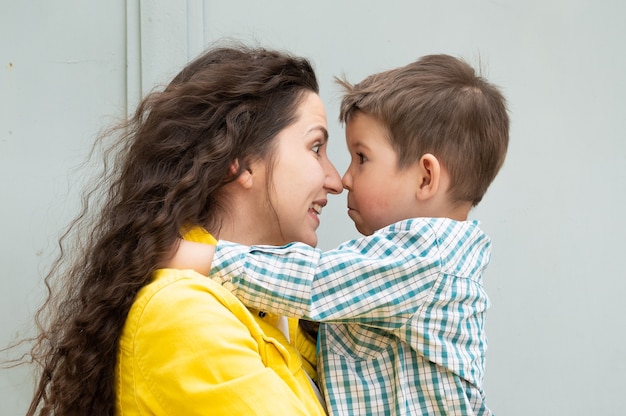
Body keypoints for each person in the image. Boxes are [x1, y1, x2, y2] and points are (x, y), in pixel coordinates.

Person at [169, 54, 510, 415]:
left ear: (426, 178)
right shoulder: (422, 260)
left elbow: (314, 280)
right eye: (319, 150)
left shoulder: (424, 256)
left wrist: (197, 257)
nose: (343, 179)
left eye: (361, 158)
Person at [22, 44, 343, 415]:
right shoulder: (183, 314)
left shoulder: (276, 308)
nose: (335, 180)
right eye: (316, 147)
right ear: (241, 162)